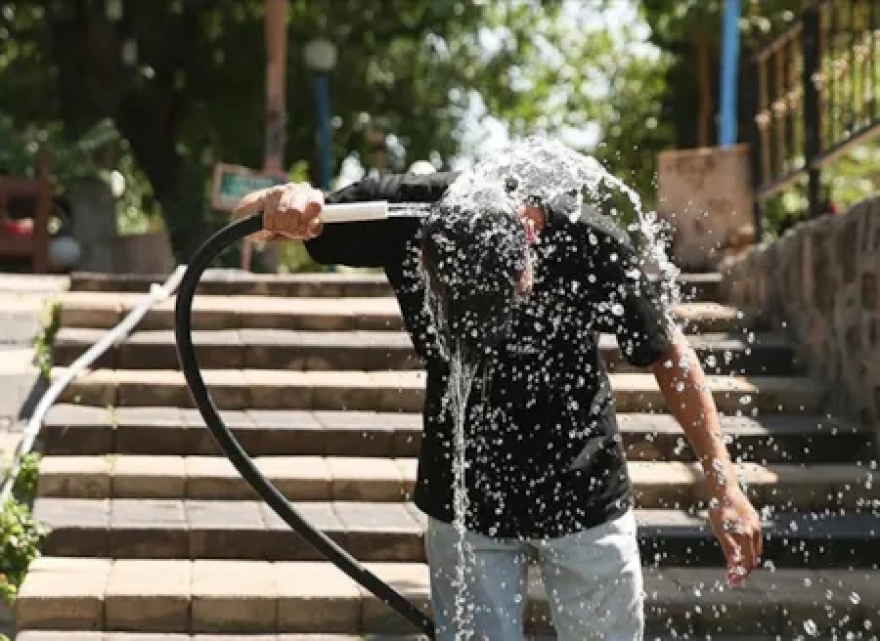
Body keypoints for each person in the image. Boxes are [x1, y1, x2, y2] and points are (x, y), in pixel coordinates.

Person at [234, 168, 763, 641]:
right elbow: (245, 220)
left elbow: (668, 354)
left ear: (529, 239)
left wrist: (725, 486)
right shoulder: (400, 212)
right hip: (464, 499)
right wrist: (282, 203)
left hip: (583, 493)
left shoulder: (589, 238)